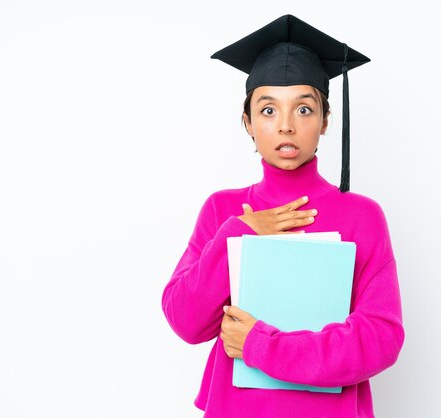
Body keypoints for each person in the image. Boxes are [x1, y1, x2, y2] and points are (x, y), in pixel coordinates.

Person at [161, 14, 404, 418]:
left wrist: (262, 345)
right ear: (248, 123)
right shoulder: (223, 210)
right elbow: (186, 322)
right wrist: (236, 235)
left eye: (304, 110)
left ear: (326, 120)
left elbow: (381, 337)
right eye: (269, 110)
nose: (286, 126)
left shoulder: (363, 216)